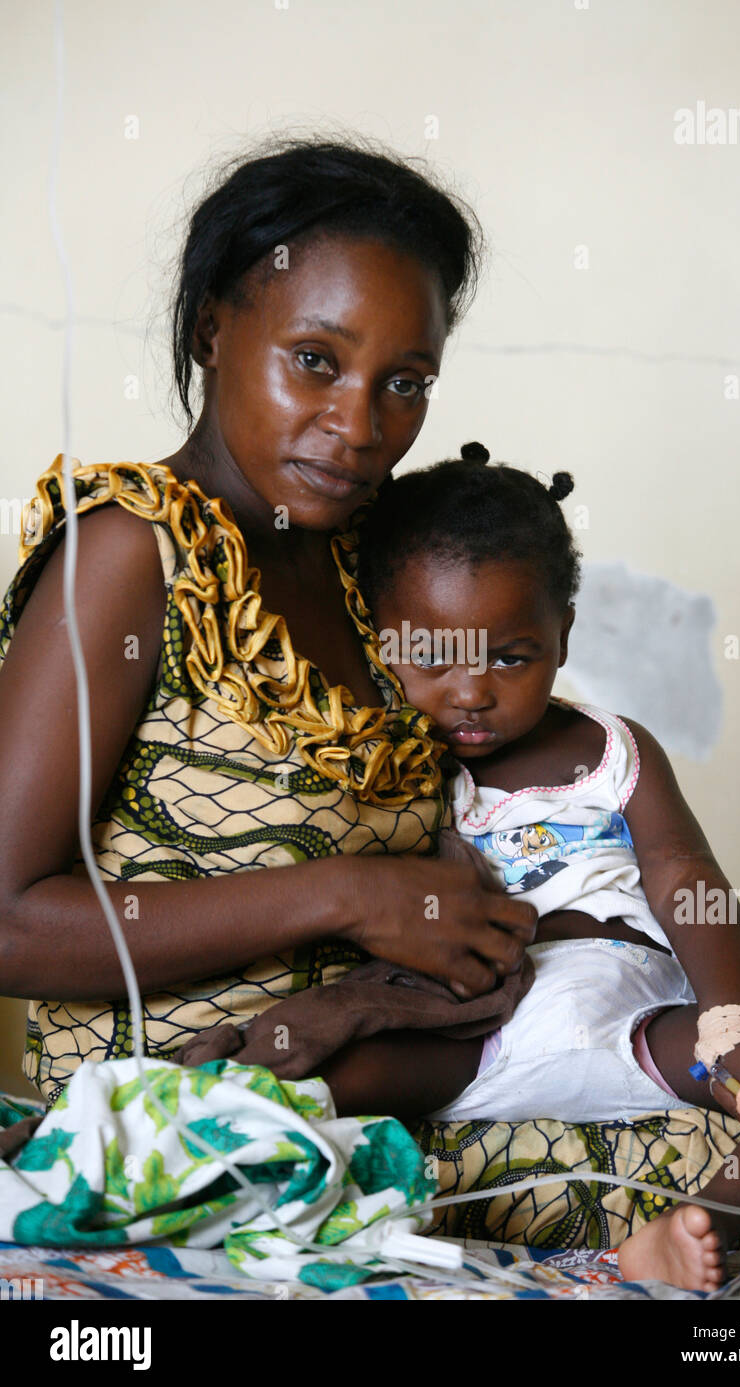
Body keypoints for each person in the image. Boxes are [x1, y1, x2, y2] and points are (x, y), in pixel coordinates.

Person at [0, 138, 536, 1108]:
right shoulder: (134, 553)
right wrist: (347, 893)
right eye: (315, 361)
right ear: (211, 330)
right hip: (185, 1129)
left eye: (404, 381)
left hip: (414, 1085)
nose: (358, 423)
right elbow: (5, 922)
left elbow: (515, 757)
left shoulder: (373, 558)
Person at [351, 441, 740, 1293]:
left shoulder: (612, 750)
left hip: (647, 1032)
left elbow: (682, 875)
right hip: (471, 1035)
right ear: (381, 642)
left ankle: (703, 1222)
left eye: (510, 657)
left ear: (563, 636)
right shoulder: (400, 769)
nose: (470, 692)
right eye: (431, 660)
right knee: (319, 1071)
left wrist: (730, 1024)